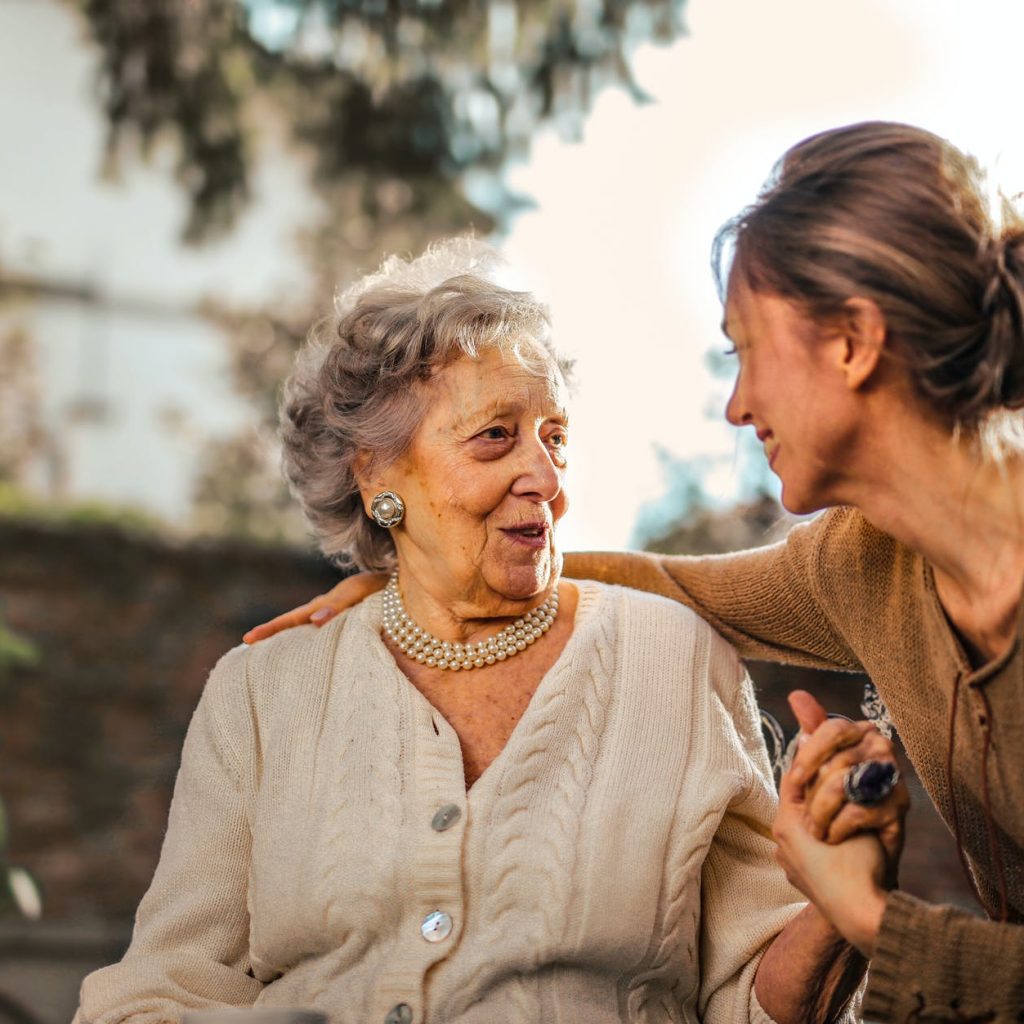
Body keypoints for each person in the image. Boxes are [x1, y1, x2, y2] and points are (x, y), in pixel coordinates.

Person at [249, 122, 1024, 1022]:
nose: (736, 407)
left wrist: (864, 914)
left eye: (745, 350)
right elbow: (673, 584)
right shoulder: (863, 567)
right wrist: (432, 572)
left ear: (852, 342)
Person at [75, 240, 869, 1024]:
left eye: (554, 436)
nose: (549, 479)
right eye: (496, 436)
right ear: (376, 473)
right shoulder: (260, 692)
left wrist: (839, 907)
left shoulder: (676, 662)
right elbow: (162, 990)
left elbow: (752, 1001)